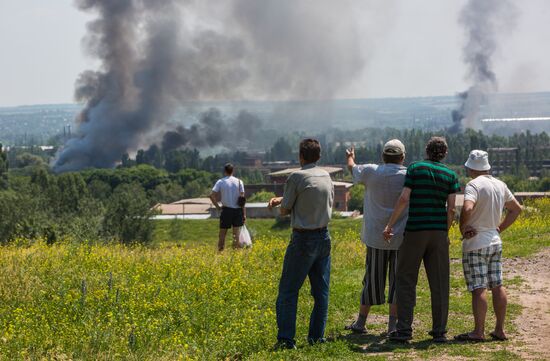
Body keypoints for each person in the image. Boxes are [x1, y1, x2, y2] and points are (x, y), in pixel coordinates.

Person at [383, 136, 460, 343]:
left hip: (416, 230)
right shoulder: (451, 175)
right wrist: (444, 231)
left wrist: (389, 225)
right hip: (438, 233)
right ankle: (439, 332)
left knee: (406, 279)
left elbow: (404, 198)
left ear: (427, 151)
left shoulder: (416, 168)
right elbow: (452, 208)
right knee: (440, 282)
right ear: (444, 153)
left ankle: (404, 330)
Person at [268, 138, 334, 349]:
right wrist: (284, 198)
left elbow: (286, 209)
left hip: (303, 239)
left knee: (288, 291)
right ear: (319, 156)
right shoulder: (326, 175)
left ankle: (286, 340)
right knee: (321, 293)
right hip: (324, 237)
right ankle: (317, 338)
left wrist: (279, 204)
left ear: (301, 156)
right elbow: (311, 197)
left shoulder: (295, 176)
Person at [454, 150, 522, 342]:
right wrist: (499, 228)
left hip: (476, 243)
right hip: (494, 240)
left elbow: (467, 207)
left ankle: (478, 331)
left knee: (479, 287)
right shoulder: (500, 184)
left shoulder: (473, 185)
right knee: (497, 284)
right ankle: (500, 329)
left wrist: (464, 227)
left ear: (470, 168)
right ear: (487, 167)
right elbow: (516, 209)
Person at [344, 139, 408, 335]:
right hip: (400, 238)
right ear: (402, 157)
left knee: (371, 280)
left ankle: (361, 323)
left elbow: (352, 168)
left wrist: (350, 157)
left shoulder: (371, 171)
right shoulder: (409, 176)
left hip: (375, 237)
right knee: (398, 282)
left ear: (383, 156)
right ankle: (392, 326)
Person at [209, 163, 246, 251]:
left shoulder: (220, 182)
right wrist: (244, 214)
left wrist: (218, 207)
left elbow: (211, 195)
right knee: (236, 234)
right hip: (237, 210)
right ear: (233, 171)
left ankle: (220, 252)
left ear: (225, 171)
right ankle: (235, 253)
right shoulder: (239, 181)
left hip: (226, 210)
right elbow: (242, 200)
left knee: (222, 233)